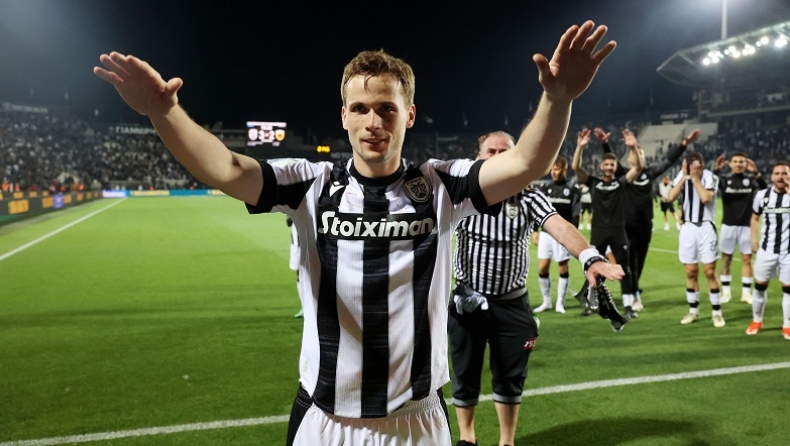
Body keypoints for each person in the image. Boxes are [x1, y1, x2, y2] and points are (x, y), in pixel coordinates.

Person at [94, 20, 617, 446]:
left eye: (387, 108)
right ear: (343, 116)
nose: (374, 122)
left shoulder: (442, 185)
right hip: (325, 419)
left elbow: (524, 163)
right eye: (361, 109)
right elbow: (227, 169)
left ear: (409, 115)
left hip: (416, 420)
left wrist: (559, 99)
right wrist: (164, 111)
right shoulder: (311, 184)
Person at [449, 132, 624, 446]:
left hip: (512, 303)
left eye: (504, 152)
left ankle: (506, 442)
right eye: (490, 151)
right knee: (465, 372)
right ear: (478, 156)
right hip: (468, 300)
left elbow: (560, 225)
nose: (497, 158)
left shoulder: (528, 196)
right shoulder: (459, 194)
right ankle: (467, 438)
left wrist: (589, 257)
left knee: (511, 375)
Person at [593, 127, 699, 311]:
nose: (638, 156)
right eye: (635, 153)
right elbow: (611, 161)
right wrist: (605, 144)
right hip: (627, 226)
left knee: (639, 263)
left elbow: (668, 161)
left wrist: (684, 144)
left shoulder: (650, 173)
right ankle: (633, 295)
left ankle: (634, 292)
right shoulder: (624, 175)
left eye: (641, 154)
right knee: (629, 263)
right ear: (630, 158)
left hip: (645, 226)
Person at [572, 128, 643, 319]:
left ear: (615, 166)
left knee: (624, 268)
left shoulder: (621, 183)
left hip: (618, 231)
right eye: (607, 164)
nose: (610, 167)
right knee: (593, 268)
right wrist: (579, 147)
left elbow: (637, 168)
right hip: (599, 231)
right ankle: (591, 303)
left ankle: (628, 306)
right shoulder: (593, 183)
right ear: (601, 166)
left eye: (612, 164)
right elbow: (576, 168)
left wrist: (633, 147)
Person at [666, 154, 725, 327]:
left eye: (698, 166)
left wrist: (695, 179)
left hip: (706, 227)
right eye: (693, 166)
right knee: (691, 272)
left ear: (703, 166)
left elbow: (706, 197)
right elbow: (671, 196)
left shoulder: (710, 177)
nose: (696, 169)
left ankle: (717, 313)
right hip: (688, 228)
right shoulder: (682, 176)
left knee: (709, 271)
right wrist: (684, 176)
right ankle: (693, 311)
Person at [713, 153, 767, 305]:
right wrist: (716, 169)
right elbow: (711, 184)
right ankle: (726, 292)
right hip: (728, 225)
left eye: (741, 162)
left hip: (746, 226)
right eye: (735, 161)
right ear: (730, 164)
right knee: (726, 259)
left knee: (747, 260)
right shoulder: (724, 180)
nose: (738, 164)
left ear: (746, 164)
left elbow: (765, 190)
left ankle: (746, 293)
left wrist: (756, 173)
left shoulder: (751, 180)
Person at [745, 161, 790, 340]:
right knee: (760, 285)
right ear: (771, 177)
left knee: (788, 289)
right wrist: (753, 240)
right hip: (767, 249)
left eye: (785, 173)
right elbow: (754, 218)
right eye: (777, 173)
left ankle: (787, 324)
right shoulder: (762, 195)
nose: (781, 177)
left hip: (788, 252)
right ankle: (757, 320)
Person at [534, 156, 582, 313]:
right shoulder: (545, 187)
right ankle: (547, 301)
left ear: (565, 170)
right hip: (546, 233)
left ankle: (560, 303)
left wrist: (572, 235)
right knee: (543, 267)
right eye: (552, 169)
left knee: (562, 267)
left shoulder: (572, 189)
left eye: (557, 169)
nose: (553, 172)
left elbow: (575, 214)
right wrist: (534, 231)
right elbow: (537, 210)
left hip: (563, 234)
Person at [286, 217, 305, 318]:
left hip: (308, 243)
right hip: (296, 244)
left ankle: (309, 306)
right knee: (299, 275)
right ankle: (304, 306)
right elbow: (288, 222)